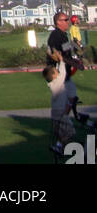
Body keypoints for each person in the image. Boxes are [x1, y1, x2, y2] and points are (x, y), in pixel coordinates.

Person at [45, 10, 78, 146]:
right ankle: (61, 125)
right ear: (58, 22)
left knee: (72, 97)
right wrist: (72, 46)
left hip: (65, 74)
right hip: (59, 75)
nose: (68, 21)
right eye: (65, 20)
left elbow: (64, 50)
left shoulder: (62, 35)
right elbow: (58, 52)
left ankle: (64, 120)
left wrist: (74, 47)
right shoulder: (55, 36)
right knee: (66, 100)